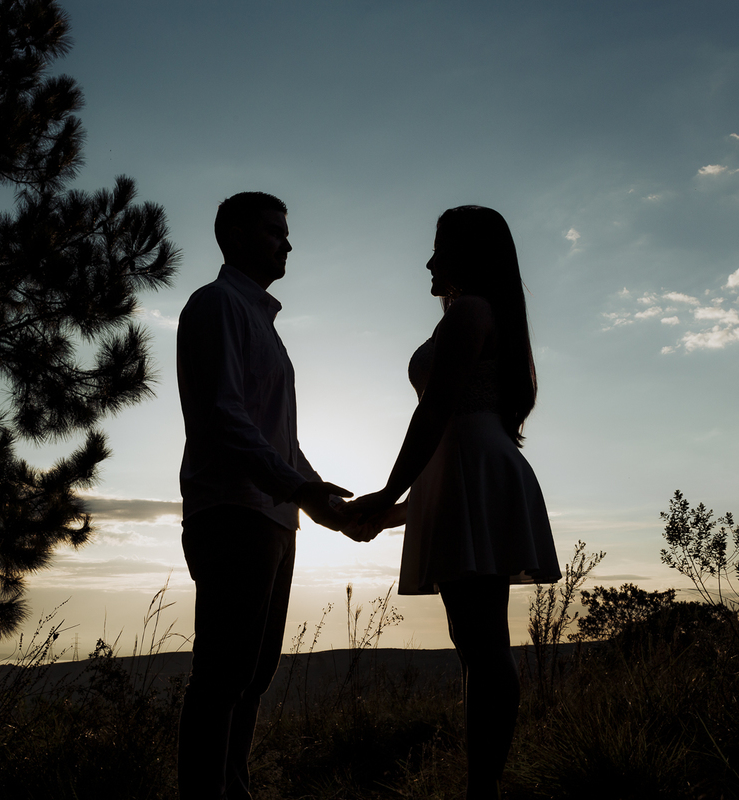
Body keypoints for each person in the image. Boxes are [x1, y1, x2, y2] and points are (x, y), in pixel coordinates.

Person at [348, 205, 561, 800]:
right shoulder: (479, 313)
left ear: (466, 254)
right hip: (467, 473)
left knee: (483, 645)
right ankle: (480, 788)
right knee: (476, 644)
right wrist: (396, 512)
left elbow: (437, 409)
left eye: (439, 248)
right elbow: (445, 439)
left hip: (475, 471)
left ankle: (482, 791)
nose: (428, 261)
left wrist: (388, 491)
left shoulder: (470, 311)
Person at [175, 191, 362, 800]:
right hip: (233, 511)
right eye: (274, 231)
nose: (288, 243)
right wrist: (298, 489)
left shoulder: (261, 323)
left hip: (274, 519)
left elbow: (280, 439)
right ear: (235, 235)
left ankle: (233, 789)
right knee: (223, 676)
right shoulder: (216, 305)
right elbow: (223, 417)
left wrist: (321, 505)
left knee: (252, 676)